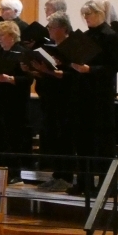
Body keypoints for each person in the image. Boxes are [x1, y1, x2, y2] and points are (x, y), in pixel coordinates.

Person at [68, 1, 118, 195]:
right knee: (83, 141)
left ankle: (107, 187)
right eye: (84, 15)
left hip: (101, 95)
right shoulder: (86, 36)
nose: (86, 18)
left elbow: (113, 66)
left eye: (88, 14)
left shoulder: (110, 36)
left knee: (102, 142)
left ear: (99, 13)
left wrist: (90, 69)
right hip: (83, 94)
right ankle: (84, 183)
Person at [26, 12, 75, 193]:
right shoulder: (51, 47)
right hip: (50, 99)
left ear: (63, 28)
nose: (49, 30)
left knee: (64, 139)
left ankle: (66, 177)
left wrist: (48, 71)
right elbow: (51, 75)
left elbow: (70, 77)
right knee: (53, 138)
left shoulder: (71, 48)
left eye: (52, 27)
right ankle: (57, 175)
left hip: (65, 100)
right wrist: (37, 70)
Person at [0, 20, 32, 182]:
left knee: (13, 139)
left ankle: (15, 173)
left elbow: (28, 79)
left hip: (14, 103)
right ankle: (1, 172)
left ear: (12, 35)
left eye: (2, 35)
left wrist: (9, 79)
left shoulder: (22, 53)